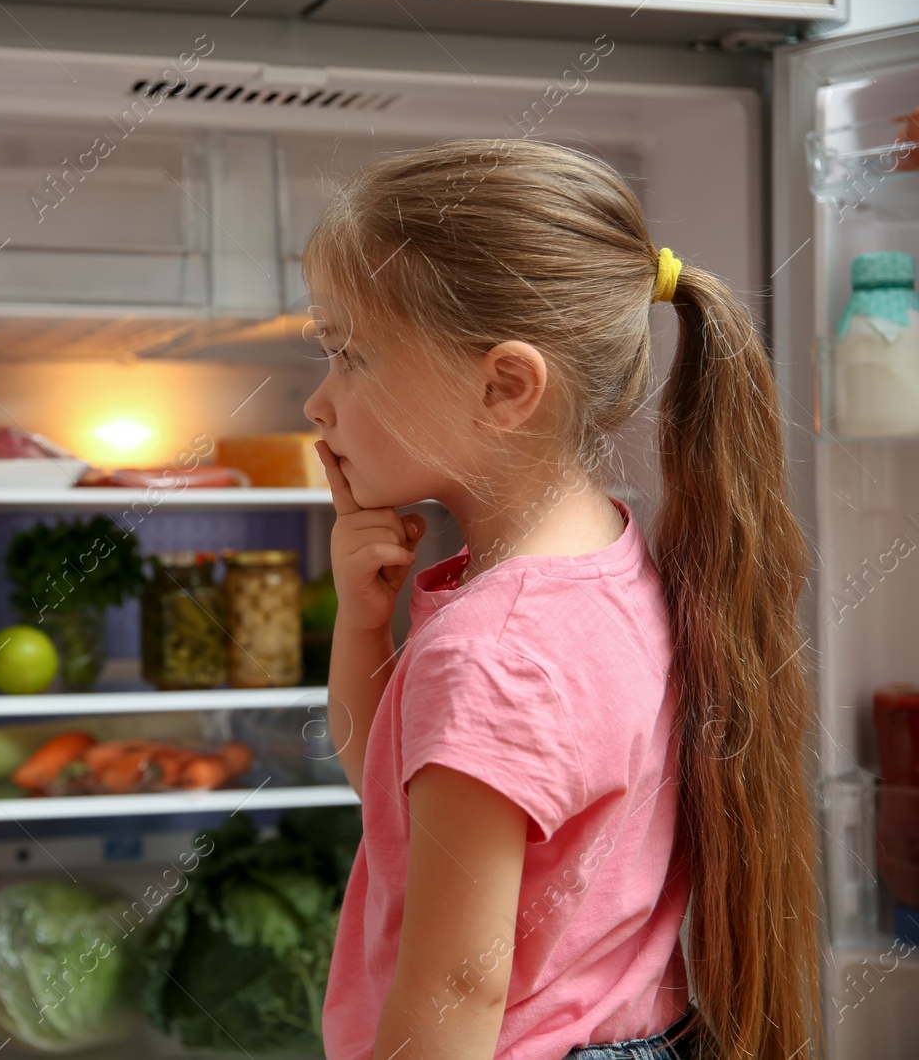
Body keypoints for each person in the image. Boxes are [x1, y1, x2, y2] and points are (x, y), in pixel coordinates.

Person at [303, 139, 821, 1060]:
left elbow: (458, 989)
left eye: (350, 354)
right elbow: (386, 788)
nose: (319, 401)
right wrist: (362, 621)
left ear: (504, 386)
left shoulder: (492, 651)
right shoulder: (609, 563)